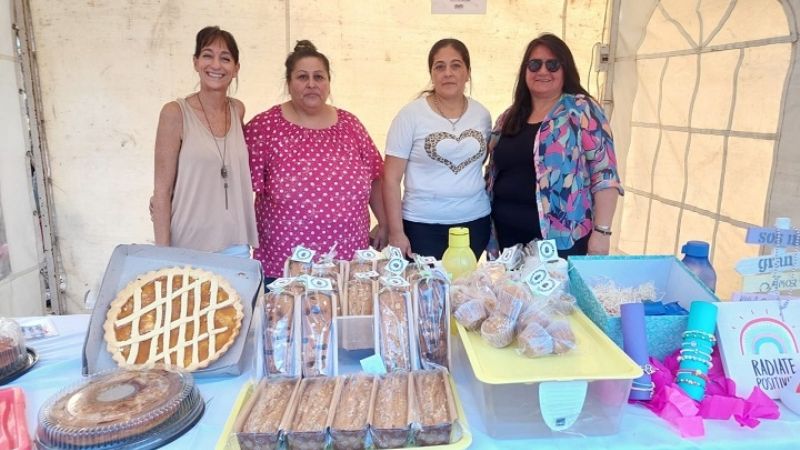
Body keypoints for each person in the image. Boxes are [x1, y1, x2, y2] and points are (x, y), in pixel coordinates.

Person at [244, 40, 386, 280]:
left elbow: (376, 178)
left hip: (347, 263)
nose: (311, 84)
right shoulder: (265, 127)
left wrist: (385, 223)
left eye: (319, 77)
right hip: (284, 266)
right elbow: (236, 187)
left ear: (328, 83)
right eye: (302, 77)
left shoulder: (350, 125)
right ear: (289, 83)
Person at [487, 33, 623, 257]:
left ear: (565, 69)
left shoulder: (582, 110)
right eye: (534, 64)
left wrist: (602, 232)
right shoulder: (507, 118)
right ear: (525, 71)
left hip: (560, 243)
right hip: (507, 240)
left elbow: (605, 173)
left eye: (552, 64)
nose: (542, 71)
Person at [151, 26, 258, 258]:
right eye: (208, 55)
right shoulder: (175, 113)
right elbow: (161, 191)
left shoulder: (237, 110)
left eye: (225, 58)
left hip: (236, 244)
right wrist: (162, 256)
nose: (216, 65)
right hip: (188, 245)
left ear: (236, 68)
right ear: (196, 62)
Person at [383, 38, 492, 260]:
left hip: (475, 223)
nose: (448, 73)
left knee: (466, 291)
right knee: (427, 291)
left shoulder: (482, 115)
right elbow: (390, 178)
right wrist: (396, 232)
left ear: (468, 73)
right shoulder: (410, 116)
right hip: (422, 225)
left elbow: (478, 163)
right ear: (431, 74)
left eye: (456, 65)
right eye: (439, 66)